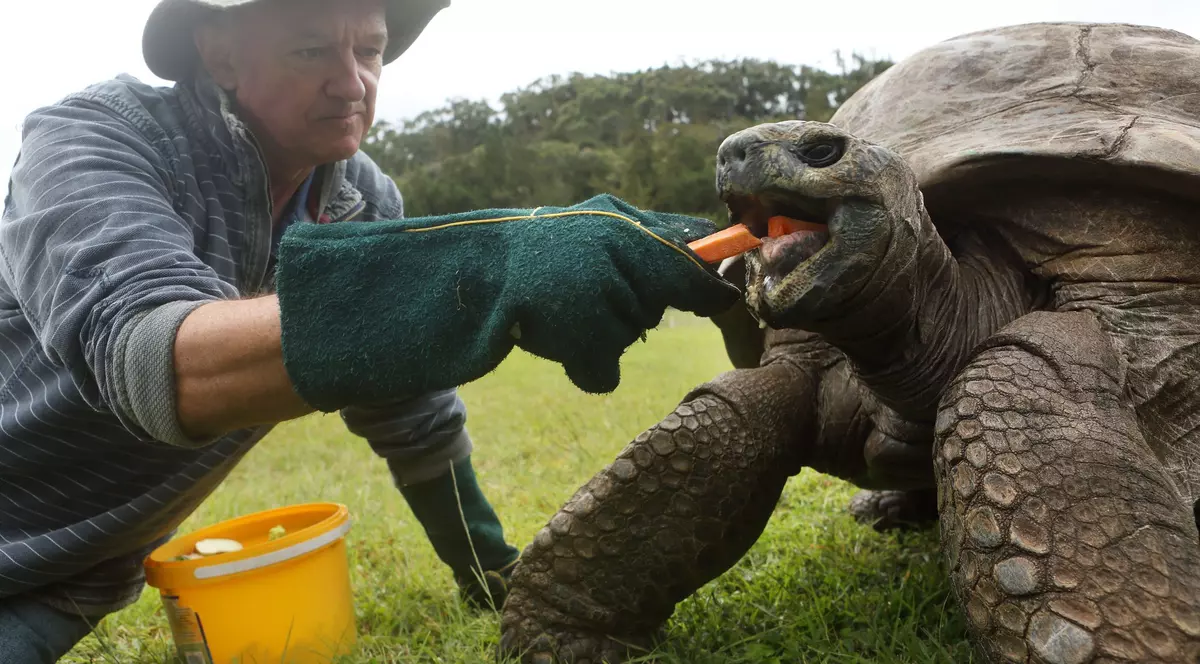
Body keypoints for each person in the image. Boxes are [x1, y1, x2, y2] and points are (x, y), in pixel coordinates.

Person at [0, 0, 739, 660]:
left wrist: (489, 570)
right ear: (220, 53)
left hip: (78, 581)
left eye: (370, 50)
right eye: (312, 50)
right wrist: (478, 269)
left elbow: (409, 411)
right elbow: (154, 364)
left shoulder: (363, 201)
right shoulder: (95, 139)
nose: (353, 83)